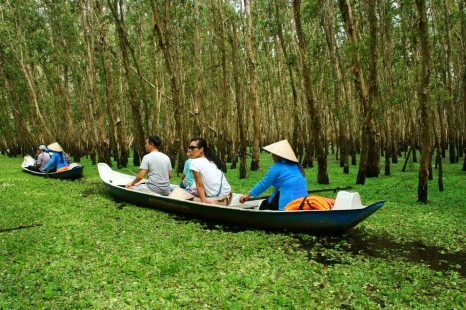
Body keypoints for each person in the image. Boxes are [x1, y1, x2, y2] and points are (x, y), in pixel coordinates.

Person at [239, 139, 307, 211]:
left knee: (263, 205)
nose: (272, 156)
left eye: (274, 154)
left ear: (279, 156)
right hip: (303, 202)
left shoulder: (276, 167)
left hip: (287, 203)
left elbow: (264, 184)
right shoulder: (297, 166)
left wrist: (248, 195)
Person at [187, 138, 232, 205]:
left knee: (187, 196)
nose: (190, 150)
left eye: (193, 148)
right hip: (230, 196)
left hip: (218, 202)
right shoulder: (211, 161)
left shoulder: (194, 162)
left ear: (201, 149)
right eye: (189, 148)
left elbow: (199, 185)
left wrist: (203, 204)